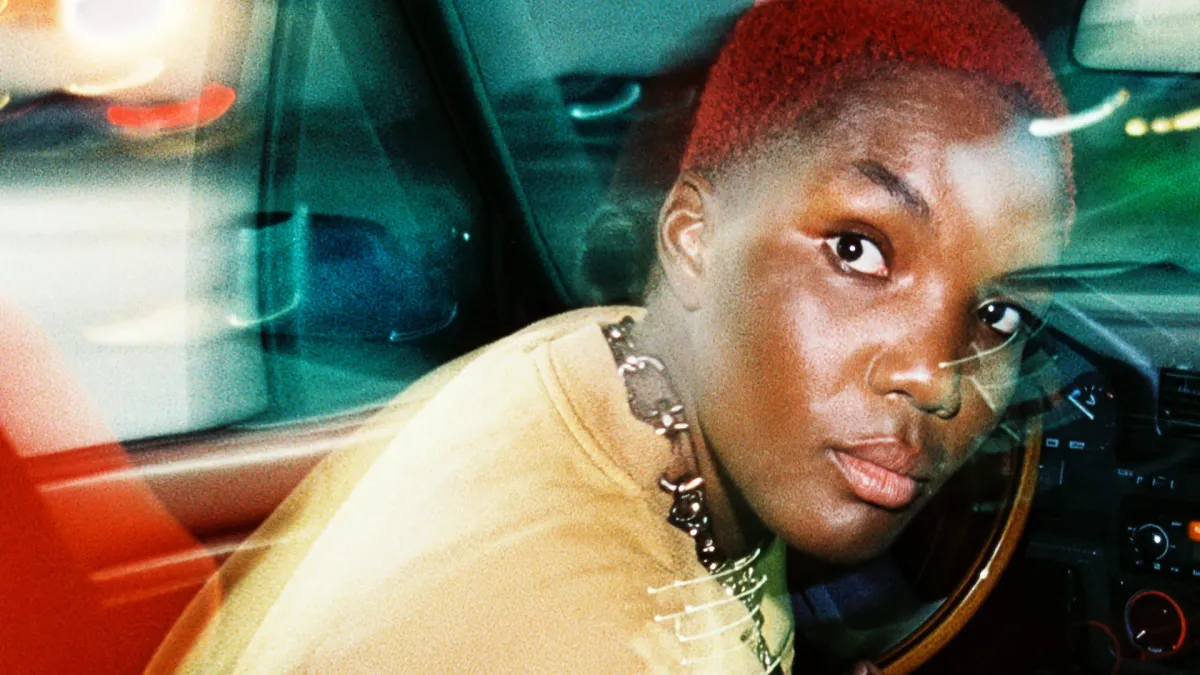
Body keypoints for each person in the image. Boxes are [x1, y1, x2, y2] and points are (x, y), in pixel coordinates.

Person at [149, 0, 1073, 672]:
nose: (936, 375)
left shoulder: (604, 360)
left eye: (998, 314)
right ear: (694, 239)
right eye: (857, 248)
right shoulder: (585, 635)